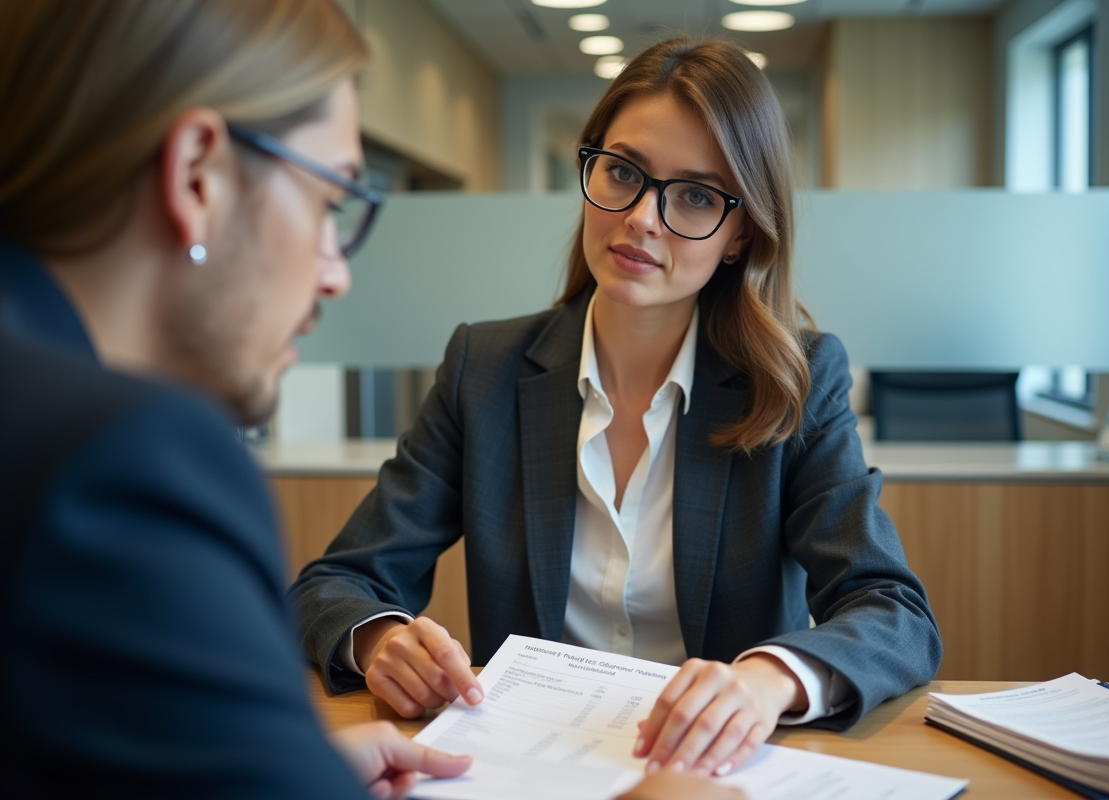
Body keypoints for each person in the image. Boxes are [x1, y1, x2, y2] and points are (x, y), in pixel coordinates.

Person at [291, 36, 943, 781]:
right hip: (525, 776)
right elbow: (334, 584)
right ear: (591, 167)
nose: (642, 218)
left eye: (696, 195)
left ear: (740, 236)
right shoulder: (487, 369)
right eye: (624, 172)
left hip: (705, 781)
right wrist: (382, 641)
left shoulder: (794, 383)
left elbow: (895, 612)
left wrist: (768, 680)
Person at [0, 1, 468, 797]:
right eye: (330, 203)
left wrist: (265, 758)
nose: (335, 273)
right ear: (196, 174)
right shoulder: (127, 459)